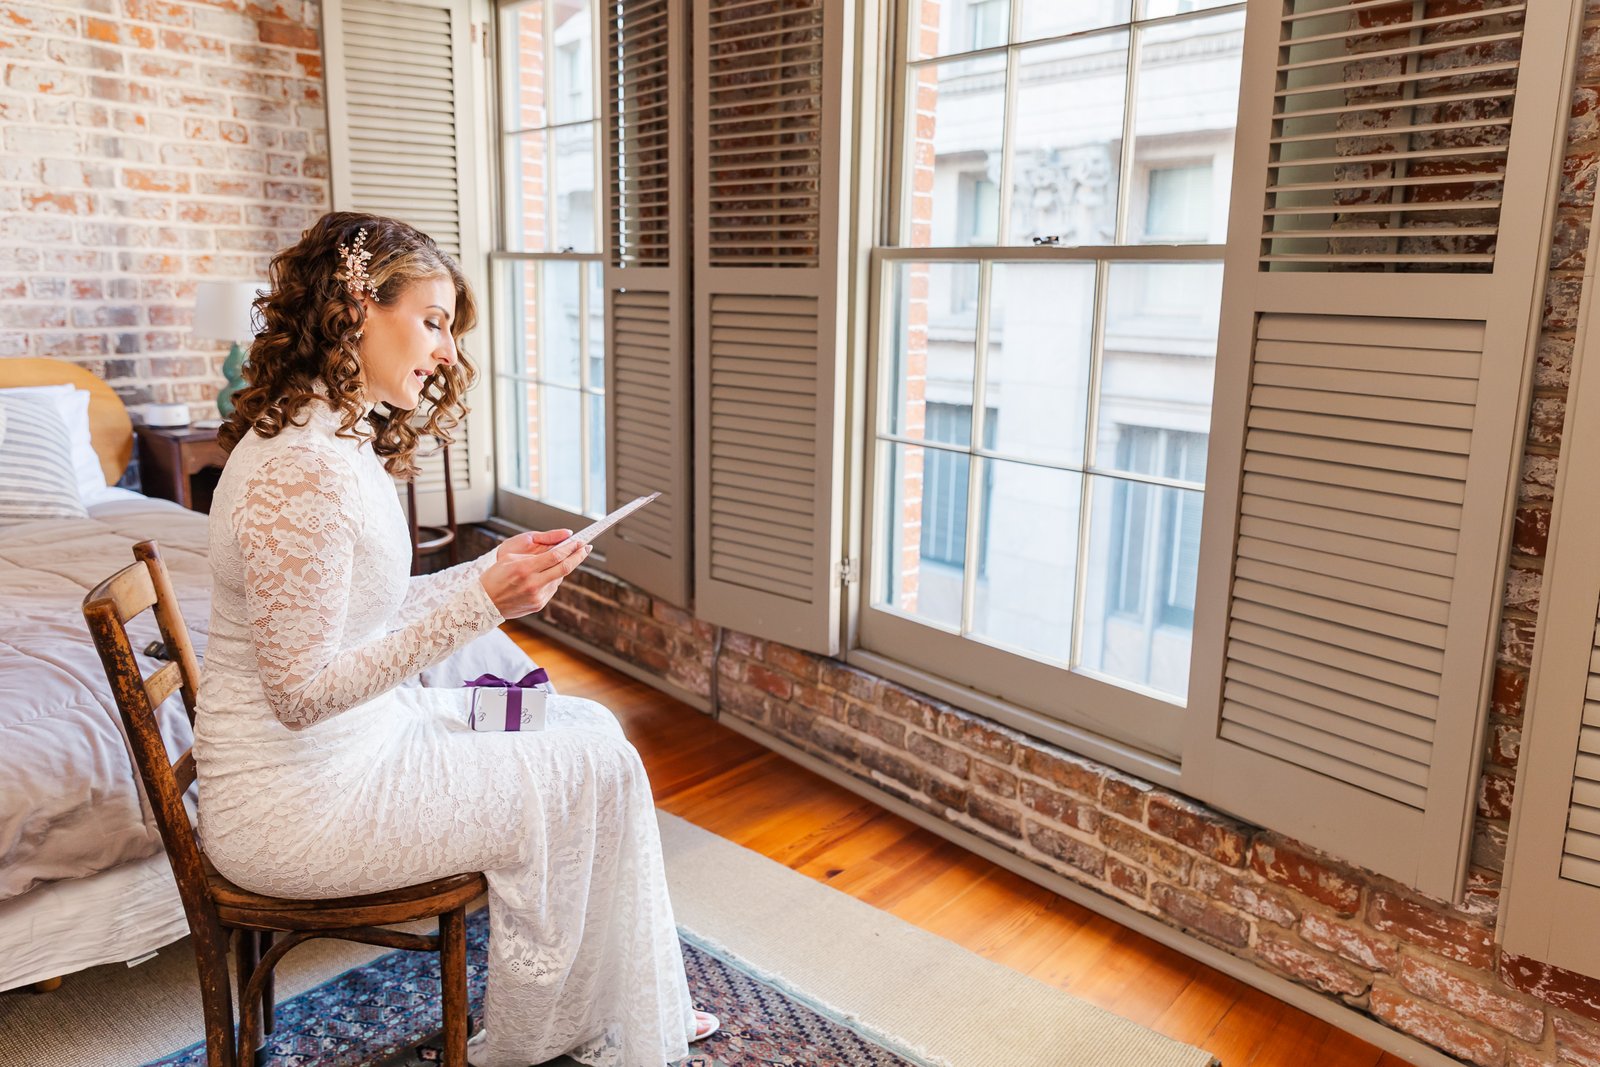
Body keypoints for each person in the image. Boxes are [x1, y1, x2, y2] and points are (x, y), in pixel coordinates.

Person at [193, 211, 717, 1066]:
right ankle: (567, 1025)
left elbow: (368, 609)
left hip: (347, 752)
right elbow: (300, 695)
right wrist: (484, 606)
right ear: (358, 305)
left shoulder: (331, 436)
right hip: (300, 802)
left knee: (592, 730)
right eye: (432, 321)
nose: (445, 351)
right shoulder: (302, 469)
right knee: (593, 762)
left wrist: (485, 577)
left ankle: (618, 997)